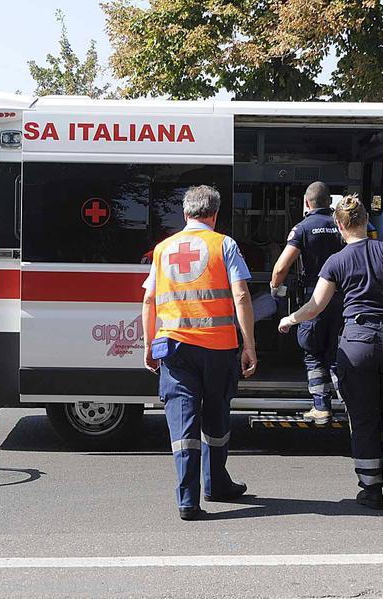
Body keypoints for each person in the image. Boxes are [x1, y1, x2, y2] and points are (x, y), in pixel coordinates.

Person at [277, 196, 383, 509]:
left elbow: (315, 306)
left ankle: (371, 488)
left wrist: (290, 319)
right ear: (366, 221)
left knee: (363, 417)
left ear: (339, 225)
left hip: (358, 344)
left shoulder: (336, 262)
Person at [142, 185, 258, 521]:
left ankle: (188, 500)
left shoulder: (163, 249)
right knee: (217, 415)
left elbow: (149, 299)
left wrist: (148, 345)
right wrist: (249, 344)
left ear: (185, 213)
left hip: (174, 347)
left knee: (183, 420)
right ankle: (216, 483)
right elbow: (241, 295)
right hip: (218, 347)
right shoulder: (224, 244)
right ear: (215, 214)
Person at [269, 182, 344, 425]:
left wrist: (275, 289)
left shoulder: (302, 228)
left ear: (306, 202)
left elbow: (281, 267)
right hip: (343, 298)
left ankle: (321, 407)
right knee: (337, 354)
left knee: (313, 351)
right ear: (329, 202)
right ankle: (352, 406)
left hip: (314, 298)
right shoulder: (342, 224)